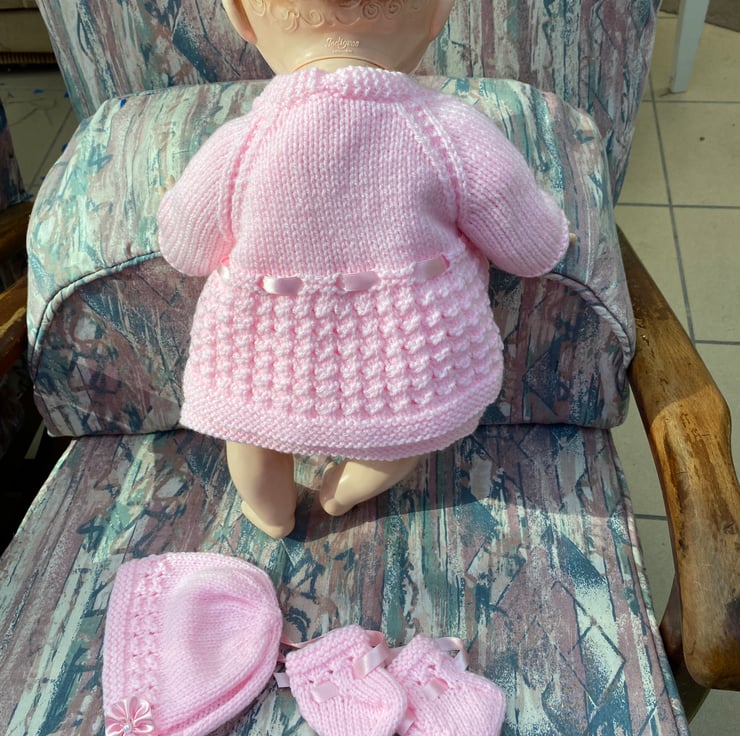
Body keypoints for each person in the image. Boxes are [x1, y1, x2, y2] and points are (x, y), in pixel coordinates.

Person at [157, 0, 571, 538]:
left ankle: (270, 508)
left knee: (249, 432)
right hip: (408, 359)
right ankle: (350, 486)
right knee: (408, 432)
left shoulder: (239, 145)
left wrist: (173, 203)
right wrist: (553, 230)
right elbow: (526, 244)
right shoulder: (449, 132)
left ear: (241, 17)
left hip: (266, 357)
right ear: (437, 14)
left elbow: (186, 249)